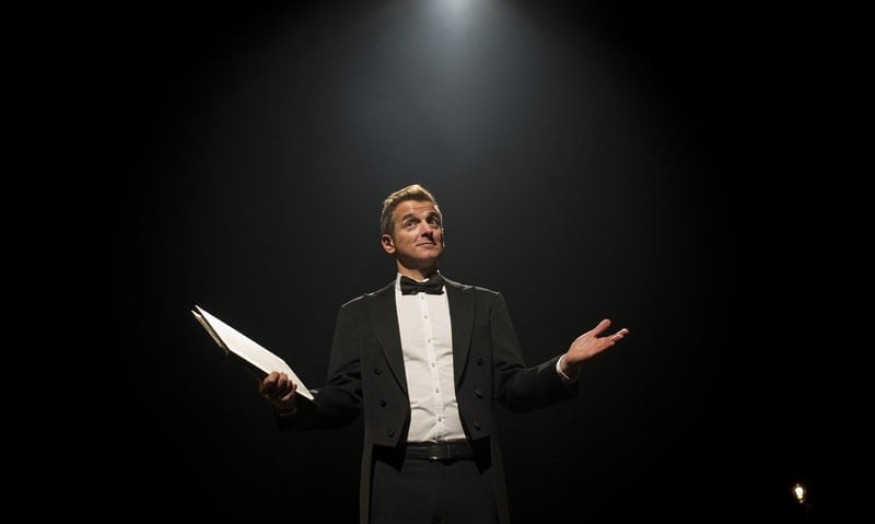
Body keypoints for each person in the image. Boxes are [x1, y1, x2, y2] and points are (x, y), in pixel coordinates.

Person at [258, 183, 629, 524]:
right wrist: (292, 402)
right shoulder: (360, 313)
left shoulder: (484, 304)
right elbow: (343, 397)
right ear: (388, 242)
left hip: (474, 473)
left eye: (433, 221)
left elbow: (512, 388)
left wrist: (565, 365)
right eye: (412, 222)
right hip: (396, 475)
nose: (426, 229)